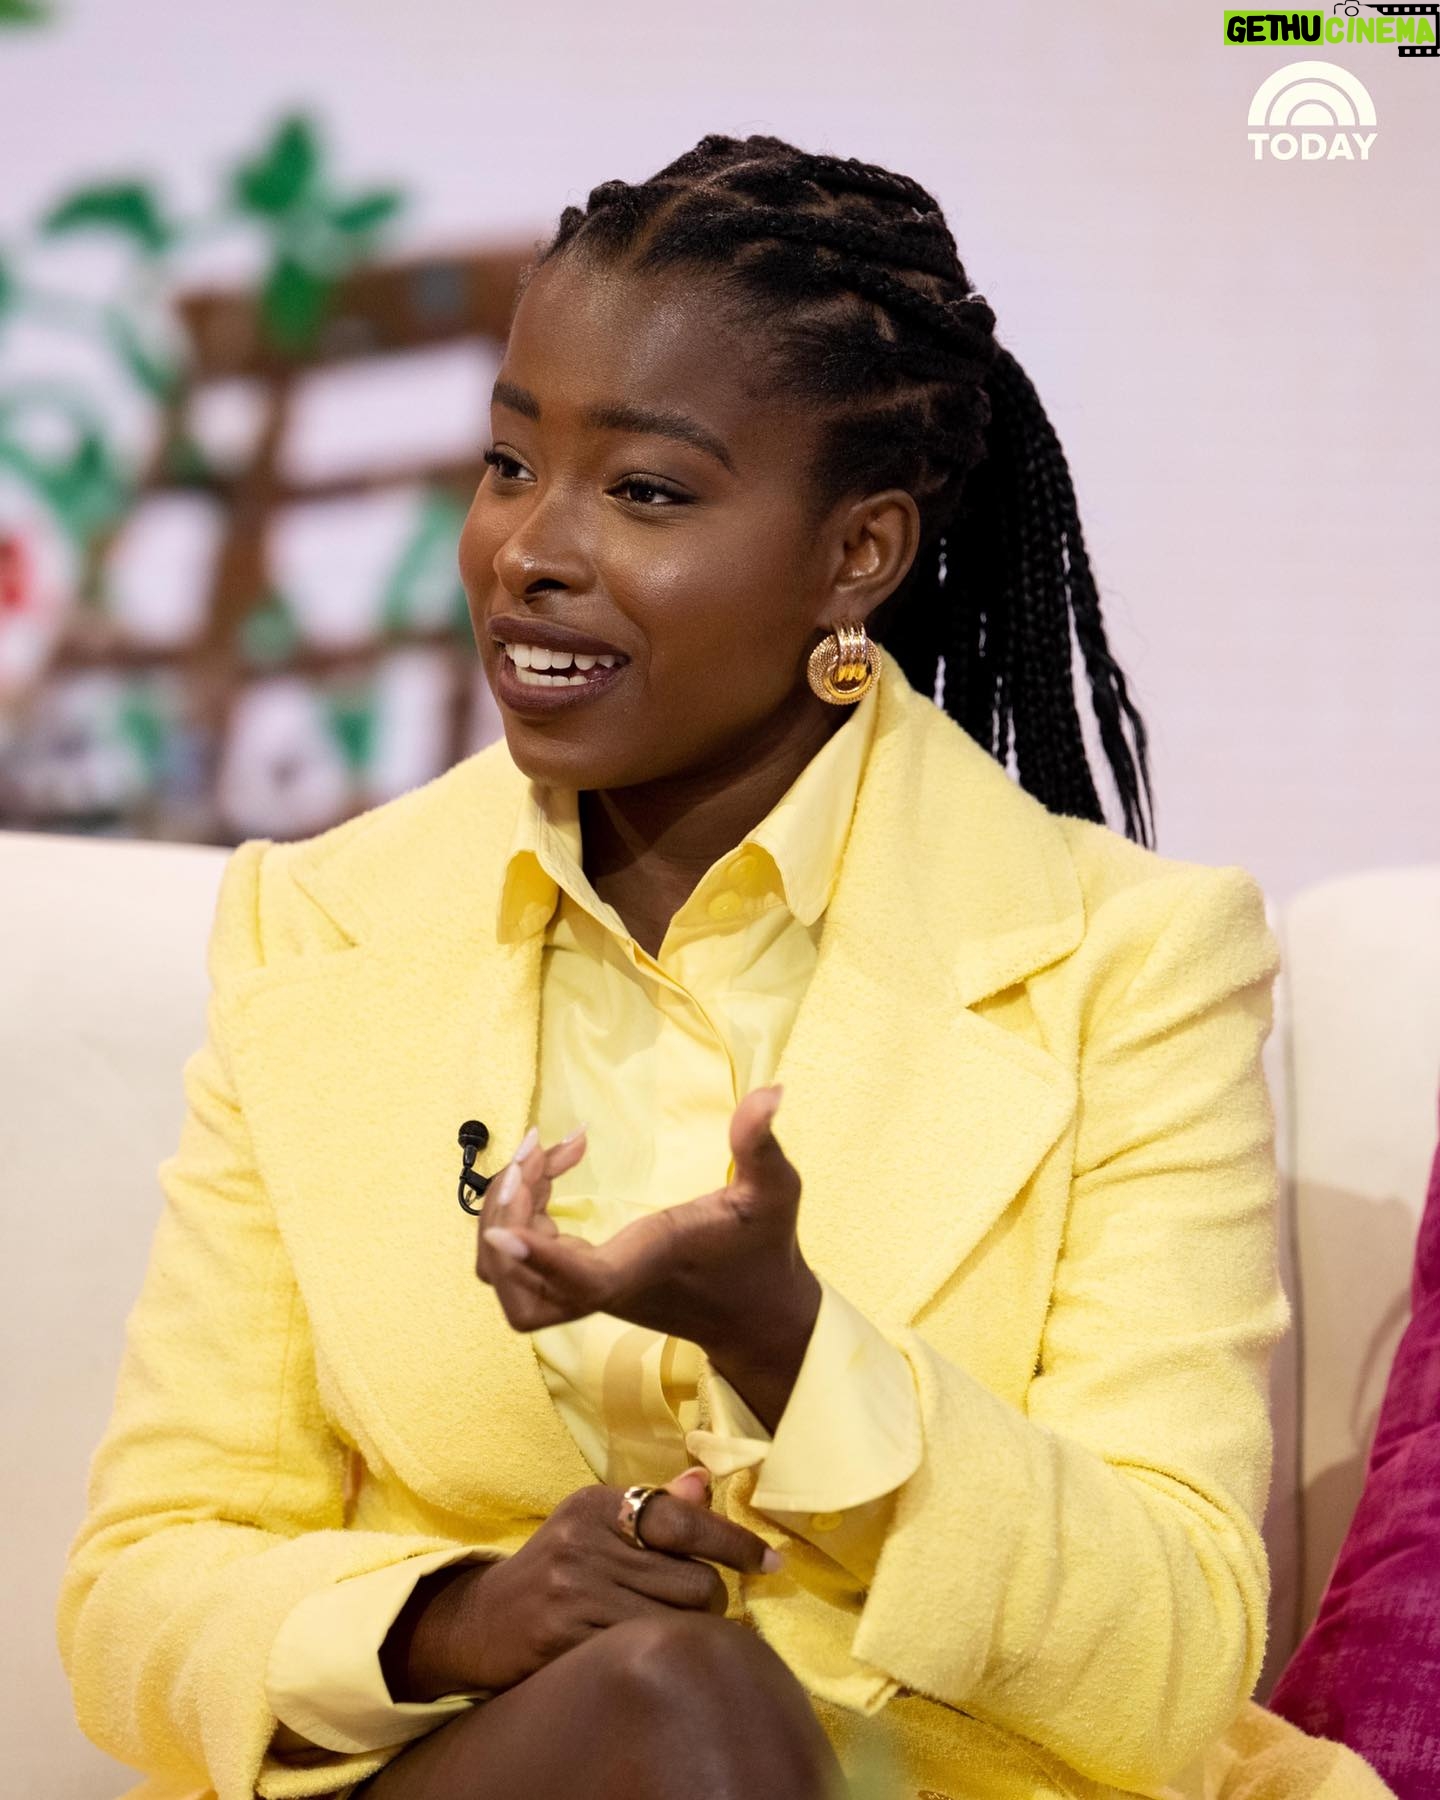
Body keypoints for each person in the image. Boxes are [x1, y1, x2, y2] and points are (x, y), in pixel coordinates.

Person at [57, 133, 1396, 1800]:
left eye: (645, 491)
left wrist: (799, 1349)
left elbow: (1172, 1650)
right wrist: (458, 1619)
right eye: (508, 463)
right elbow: (148, 1579)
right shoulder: (319, 925)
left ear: (857, 556)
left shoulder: (1130, 963)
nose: (527, 549)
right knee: (665, 1701)